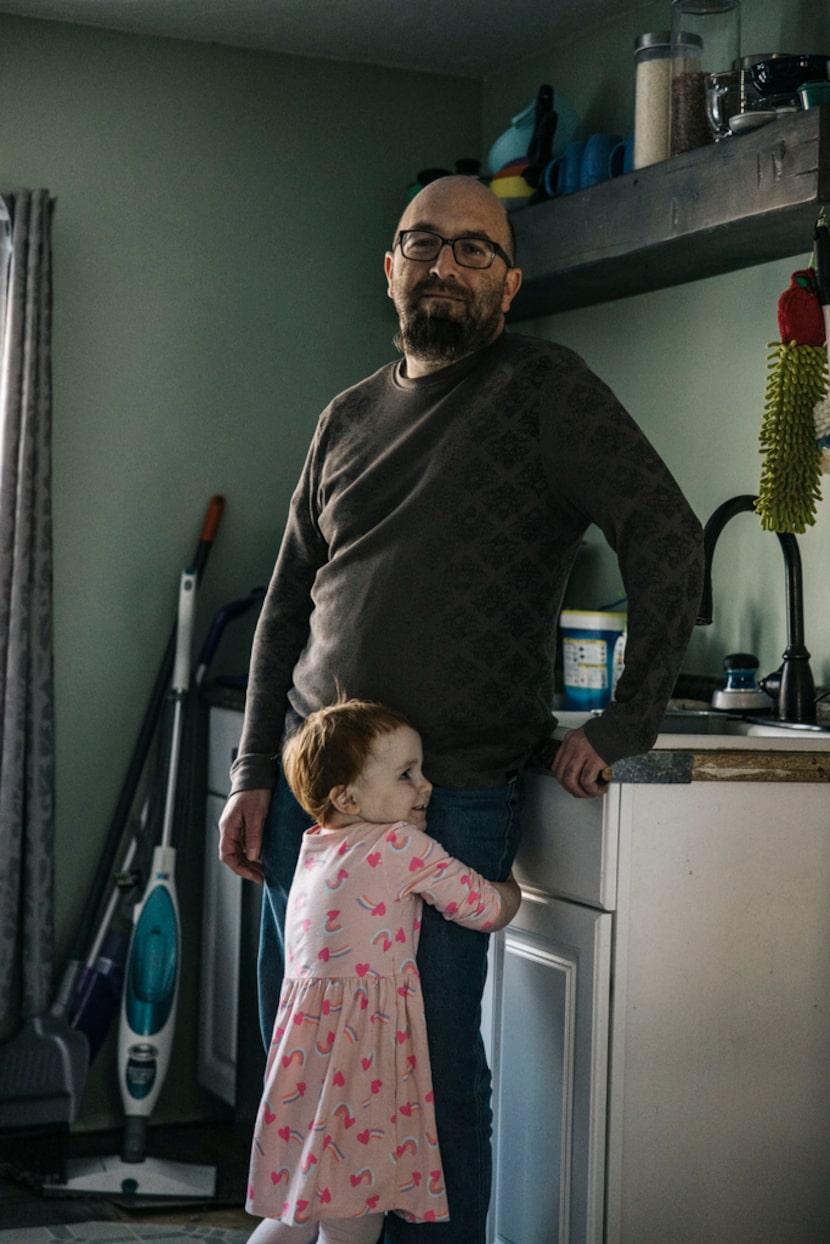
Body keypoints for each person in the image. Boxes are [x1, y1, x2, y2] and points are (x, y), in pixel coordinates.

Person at [220, 174, 704, 1244]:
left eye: (473, 249)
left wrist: (626, 718)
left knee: (428, 1081)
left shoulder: (544, 388)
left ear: (511, 283)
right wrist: (255, 768)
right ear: (388, 269)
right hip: (308, 803)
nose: (444, 264)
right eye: (421, 244)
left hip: (445, 803)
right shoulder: (342, 414)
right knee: (303, 1057)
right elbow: (285, 602)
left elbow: (667, 534)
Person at [246, 698, 521, 1244]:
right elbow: (484, 908)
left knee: (296, 1213)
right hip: (364, 1064)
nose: (426, 787)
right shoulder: (399, 844)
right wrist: (513, 889)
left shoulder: (313, 848)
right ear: (347, 796)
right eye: (406, 774)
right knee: (356, 1218)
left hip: (306, 1061)